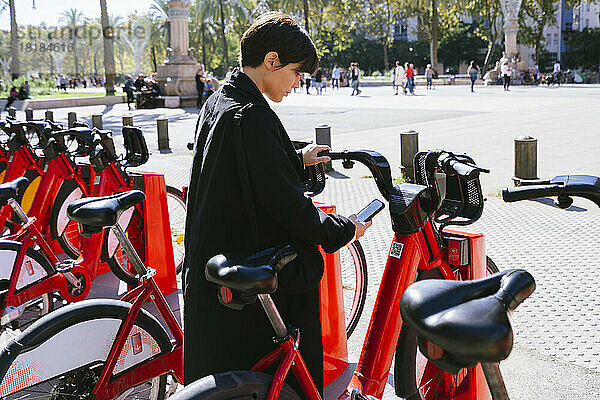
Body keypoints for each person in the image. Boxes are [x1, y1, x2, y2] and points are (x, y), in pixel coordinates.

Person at [183, 12, 370, 395]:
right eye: (297, 73)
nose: (297, 83)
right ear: (272, 61)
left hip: (209, 266)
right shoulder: (253, 117)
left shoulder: (222, 101)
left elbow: (242, 171)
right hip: (245, 276)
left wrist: (296, 158)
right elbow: (290, 208)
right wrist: (345, 229)